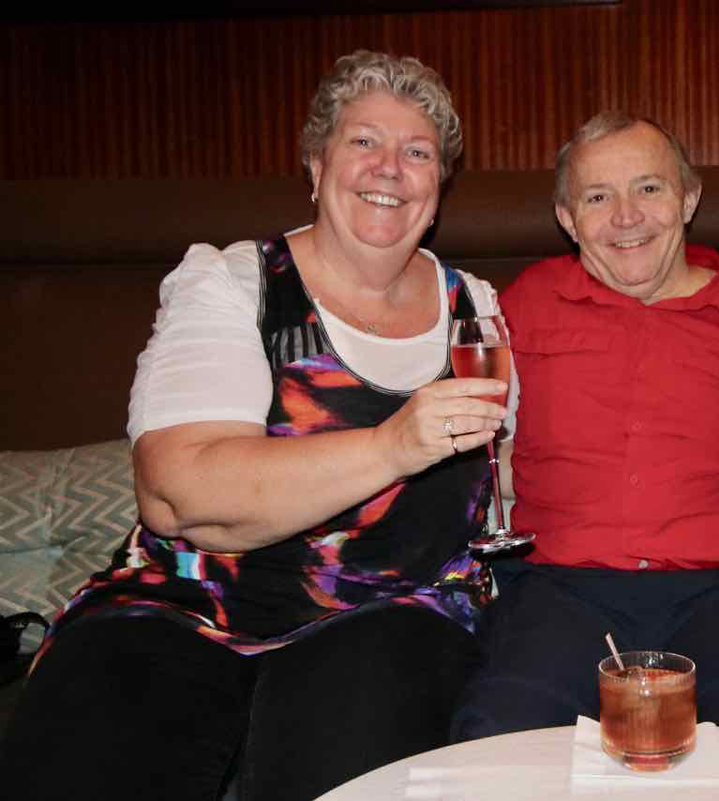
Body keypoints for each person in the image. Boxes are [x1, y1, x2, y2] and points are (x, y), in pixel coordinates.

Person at [0, 51, 510, 801]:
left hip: (396, 609)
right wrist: (392, 446)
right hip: (185, 602)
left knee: (349, 754)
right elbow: (177, 494)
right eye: (363, 141)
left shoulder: (478, 310)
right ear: (316, 166)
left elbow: (511, 476)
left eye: (418, 152)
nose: (390, 168)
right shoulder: (237, 282)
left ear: (437, 191)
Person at [450, 112, 719, 747]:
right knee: (495, 742)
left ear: (688, 199)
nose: (626, 217)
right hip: (562, 588)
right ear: (567, 218)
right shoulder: (522, 304)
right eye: (597, 197)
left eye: (648, 188)